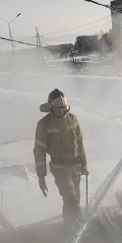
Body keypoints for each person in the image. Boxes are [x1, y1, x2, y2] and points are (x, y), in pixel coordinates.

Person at [34, 89, 88, 224]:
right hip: (59, 168)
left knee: (74, 199)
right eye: (58, 109)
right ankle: (78, 227)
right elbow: (39, 151)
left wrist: (84, 165)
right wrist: (41, 176)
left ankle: (68, 226)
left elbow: (80, 144)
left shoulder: (73, 120)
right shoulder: (44, 124)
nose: (61, 111)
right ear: (51, 107)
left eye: (64, 108)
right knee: (71, 199)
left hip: (75, 167)